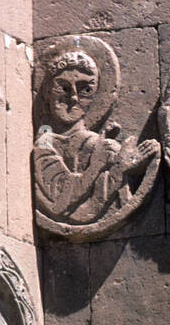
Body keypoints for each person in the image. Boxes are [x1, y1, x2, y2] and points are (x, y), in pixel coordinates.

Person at [33, 49, 156, 225]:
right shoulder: (45, 145)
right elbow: (59, 203)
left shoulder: (104, 145)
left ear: (95, 96)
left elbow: (120, 204)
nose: (73, 97)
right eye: (63, 87)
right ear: (47, 91)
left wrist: (127, 167)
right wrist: (98, 165)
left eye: (85, 89)